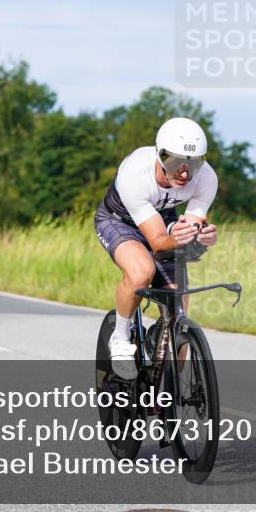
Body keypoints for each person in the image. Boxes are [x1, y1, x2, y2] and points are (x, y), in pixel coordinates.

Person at [95, 117, 219, 378]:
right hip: (119, 221)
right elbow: (158, 242)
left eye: (193, 163)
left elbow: (188, 229)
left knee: (178, 305)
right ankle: (120, 337)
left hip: (163, 221)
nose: (185, 173)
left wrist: (201, 237)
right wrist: (180, 237)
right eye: (176, 163)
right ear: (161, 155)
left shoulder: (206, 178)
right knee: (142, 272)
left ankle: (162, 355)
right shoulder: (135, 174)